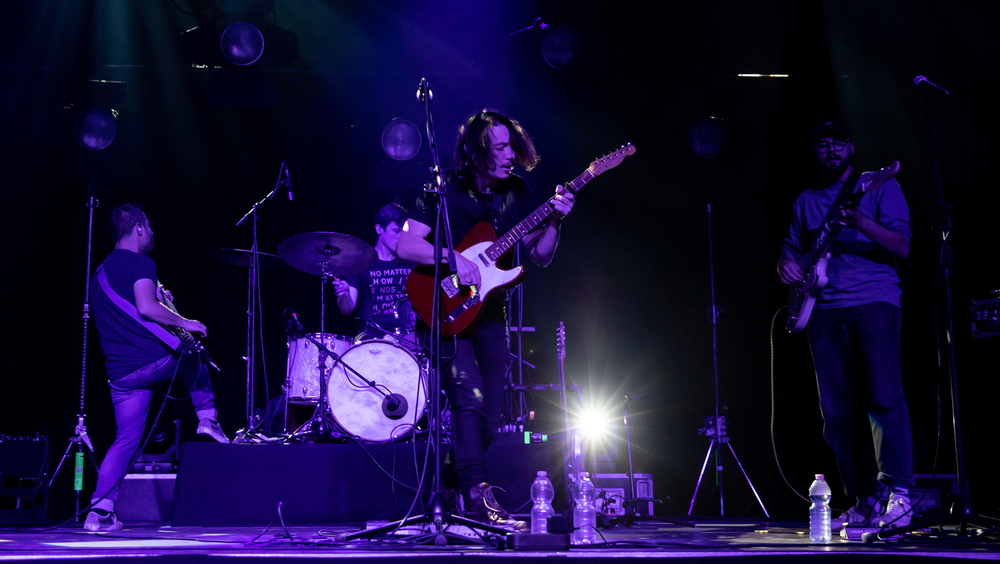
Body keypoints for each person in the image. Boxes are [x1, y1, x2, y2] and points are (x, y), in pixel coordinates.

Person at [396, 109, 575, 530]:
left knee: (491, 415)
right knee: (467, 399)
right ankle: (476, 497)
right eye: (499, 147)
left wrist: (558, 220)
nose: (510, 154)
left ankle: (452, 486)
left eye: (512, 145)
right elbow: (406, 244)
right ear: (477, 150)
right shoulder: (442, 188)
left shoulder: (519, 191)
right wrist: (453, 257)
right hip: (444, 308)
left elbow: (540, 255)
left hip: (491, 314)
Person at [777, 121, 914, 529]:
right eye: (823, 144)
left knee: (884, 398)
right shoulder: (805, 200)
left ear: (852, 148)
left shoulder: (878, 185)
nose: (831, 149)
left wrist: (861, 223)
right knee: (834, 412)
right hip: (823, 308)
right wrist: (785, 265)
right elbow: (791, 251)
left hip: (874, 300)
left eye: (839, 142)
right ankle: (863, 499)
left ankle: (899, 494)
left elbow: (902, 246)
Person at [87, 204, 228, 532]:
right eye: (148, 227)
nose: (152, 232)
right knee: (192, 354)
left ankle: (99, 512)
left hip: (121, 376)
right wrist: (186, 321)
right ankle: (208, 418)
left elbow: (134, 312)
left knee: (124, 441)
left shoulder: (98, 274)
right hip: (151, 363)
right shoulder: (142, 262)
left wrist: (164, 302)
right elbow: (147, 308)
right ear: (137, 228)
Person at [333, 203, 416, 344]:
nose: (400, 237)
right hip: (370, 335)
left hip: (407, 335)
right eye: (396, 231)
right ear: (379, 229)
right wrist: (344, 295)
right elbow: (347, 309)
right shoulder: (360, 263)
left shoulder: (412, 263)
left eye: (403, 232)